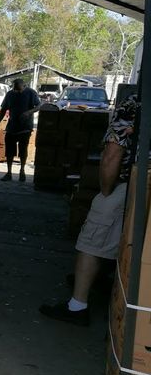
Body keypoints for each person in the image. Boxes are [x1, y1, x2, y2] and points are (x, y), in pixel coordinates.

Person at [40, 93, 139, 326]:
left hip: (127, 185)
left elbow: (112, 154)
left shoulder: (134, 104)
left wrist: (105, 190)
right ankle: (107, 281)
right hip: (145, 186)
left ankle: (77, 305)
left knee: (92, 242)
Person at [0, 79, 41, 182]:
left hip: (25, 127)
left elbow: (39, 105)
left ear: (24, 85)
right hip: (11, 127)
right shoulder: (10, 94)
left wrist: (29, 112)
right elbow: (3, 110)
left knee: (23, 149)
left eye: (19, 89)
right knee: (9, 151)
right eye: (15, 89)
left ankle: (22, 170)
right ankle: (9, 172)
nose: (17, 91)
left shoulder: (31, 93)